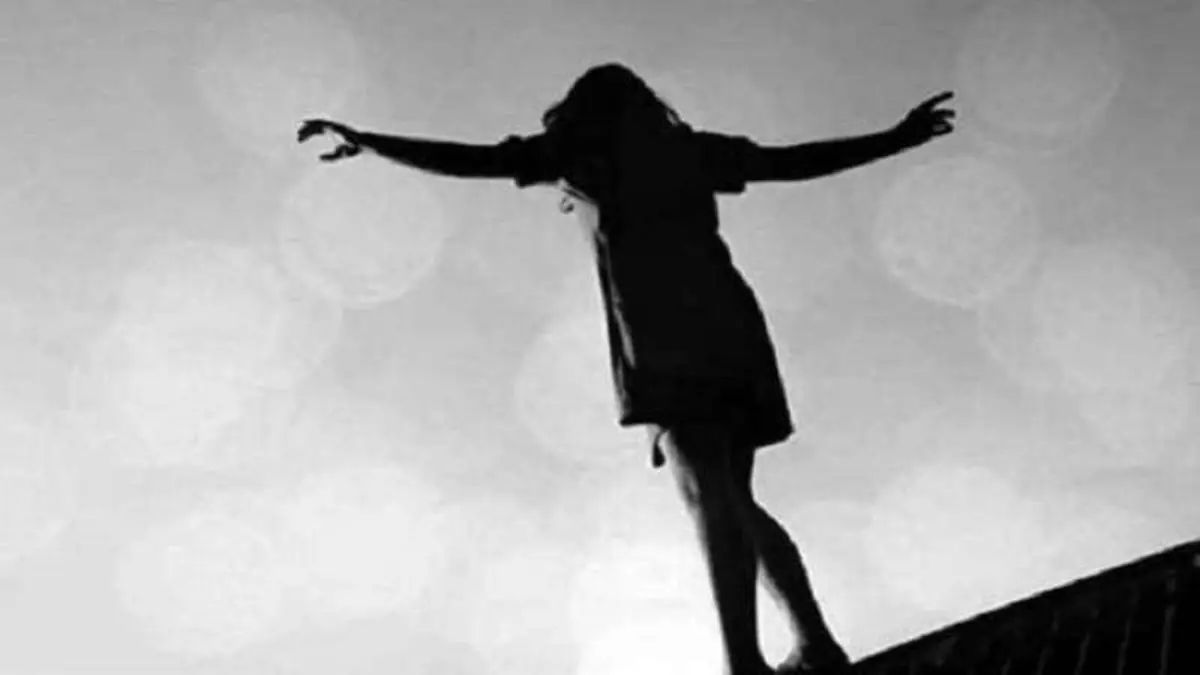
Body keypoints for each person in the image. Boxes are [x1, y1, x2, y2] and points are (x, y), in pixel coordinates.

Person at [298, 62, 955, 675]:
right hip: (730, 321)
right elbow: (790, 162)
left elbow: (472, 160)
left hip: (668, 336)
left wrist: (371, 142)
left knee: (707, 495)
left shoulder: (581, 156)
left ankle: (746, 663)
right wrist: (896, 138)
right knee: (732, 496)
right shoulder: (687, 150)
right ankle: (813, 642)